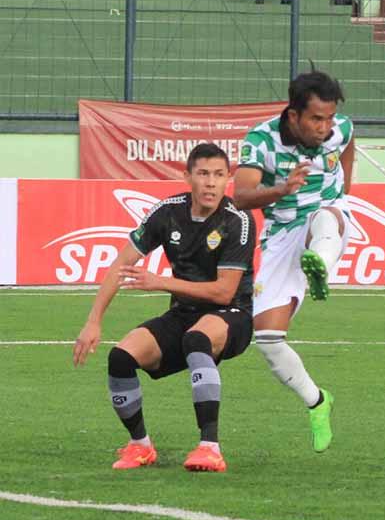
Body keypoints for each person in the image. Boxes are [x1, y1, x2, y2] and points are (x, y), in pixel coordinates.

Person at [72, 143, 256, 473]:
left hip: (233, 315)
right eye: (202, 174)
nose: (210, 183)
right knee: (121, 357)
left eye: (218, 175)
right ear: (187, 177)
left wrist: (161, 282)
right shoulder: (168, 212)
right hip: (184, 313)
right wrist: (93, 320)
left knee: (196, 339)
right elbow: (121, 264)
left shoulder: (237, 221)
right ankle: (140, 446)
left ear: (228, 178)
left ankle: (209, 447)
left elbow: (224, 292)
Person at [233, 70, 355, 453]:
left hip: (326, 217)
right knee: (268, 339)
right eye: (316, 119)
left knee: (325, 218)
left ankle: (317, 264)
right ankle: (318, 402)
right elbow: (240, 196)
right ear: (293, 116)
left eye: (329, 118)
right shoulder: (261, 141)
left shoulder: (340, 129)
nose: (325, 127)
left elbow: (348, 139)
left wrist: (344, 190)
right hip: (282, 232)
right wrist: (282, 189)